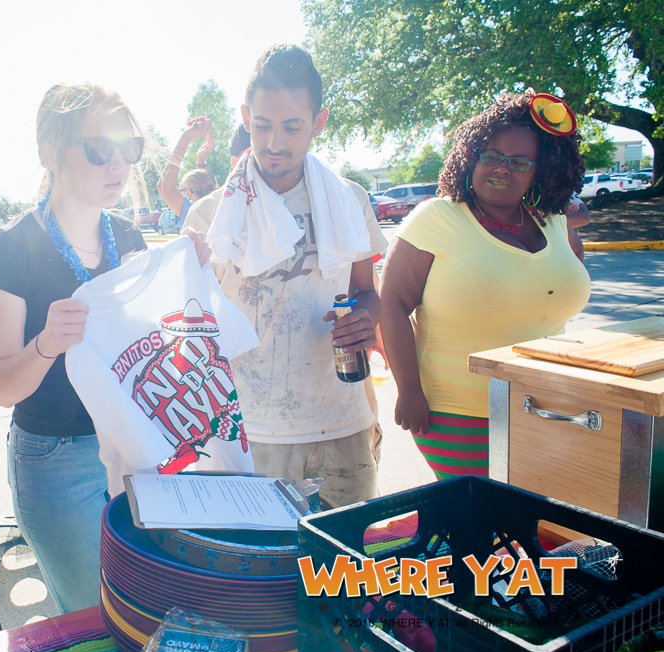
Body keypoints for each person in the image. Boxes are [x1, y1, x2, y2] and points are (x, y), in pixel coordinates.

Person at [0, 82, 209, 614]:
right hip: (56, 458)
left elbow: (153, 347)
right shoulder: (6, 252)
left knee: (150, 605)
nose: (119, 164)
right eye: (100, 149)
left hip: (134, 442)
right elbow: (1, 387)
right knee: (93, 616)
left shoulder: (126, 236)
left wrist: (189, 281)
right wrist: (46, 344)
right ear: (51, 153)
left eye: (131, 148)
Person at [182, 45, 389, 509]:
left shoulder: (348, 199)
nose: (275, 142)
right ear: (245, 116)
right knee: (261, 576)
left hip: (342, 426)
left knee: (341, 573)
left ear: (319, 122)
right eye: (262, 125)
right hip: (249, 433)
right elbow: (188, 327)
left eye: (293, 126)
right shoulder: (209, 214)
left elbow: (366, 294)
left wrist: (364, 319)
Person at [379, 91, 590, 479]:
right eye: (491, 155)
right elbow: (391, 304)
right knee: (481, 525)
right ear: (470, 156)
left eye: (519, 162)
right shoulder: (438, 217)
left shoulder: (555, 222)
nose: (503, 169)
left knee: (537, 528)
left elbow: (562, 290)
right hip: (457, 413)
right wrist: (408, 389)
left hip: (549, 409)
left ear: (539, 171)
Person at [157, 116, 217, 227]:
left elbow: (164, 186)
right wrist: (200, 160)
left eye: (180, 191)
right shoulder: (219, 208)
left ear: (188, 193)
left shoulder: (193, 213)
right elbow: (203, 185)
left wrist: (185, 138)